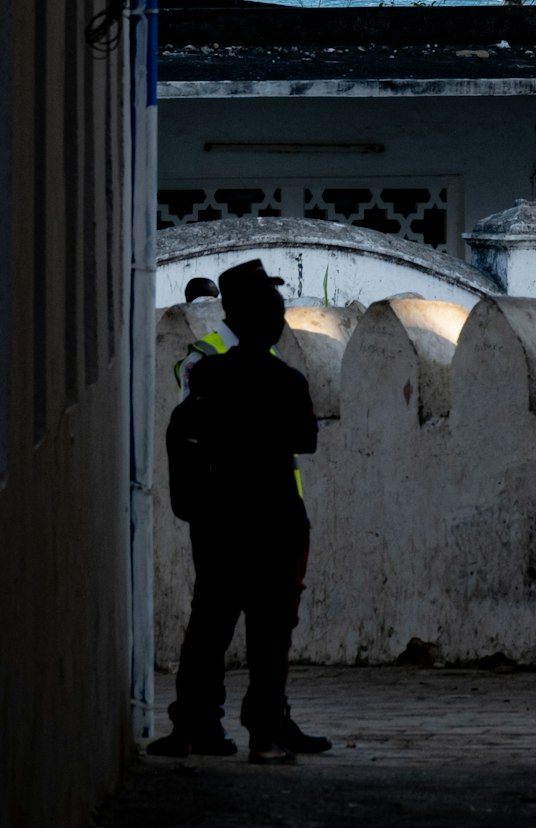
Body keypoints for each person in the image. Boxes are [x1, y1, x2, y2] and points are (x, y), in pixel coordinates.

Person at [148, 258, 331, 763]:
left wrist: (193, 501)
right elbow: (304, 440)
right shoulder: (285, 380)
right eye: (276, 310)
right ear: (263, 319)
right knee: (270, 630)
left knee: (209, 624)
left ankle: (195, 726)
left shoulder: (207, 372)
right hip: (275, 519)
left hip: (219, 519)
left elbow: (185, 431)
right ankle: (265, 726)